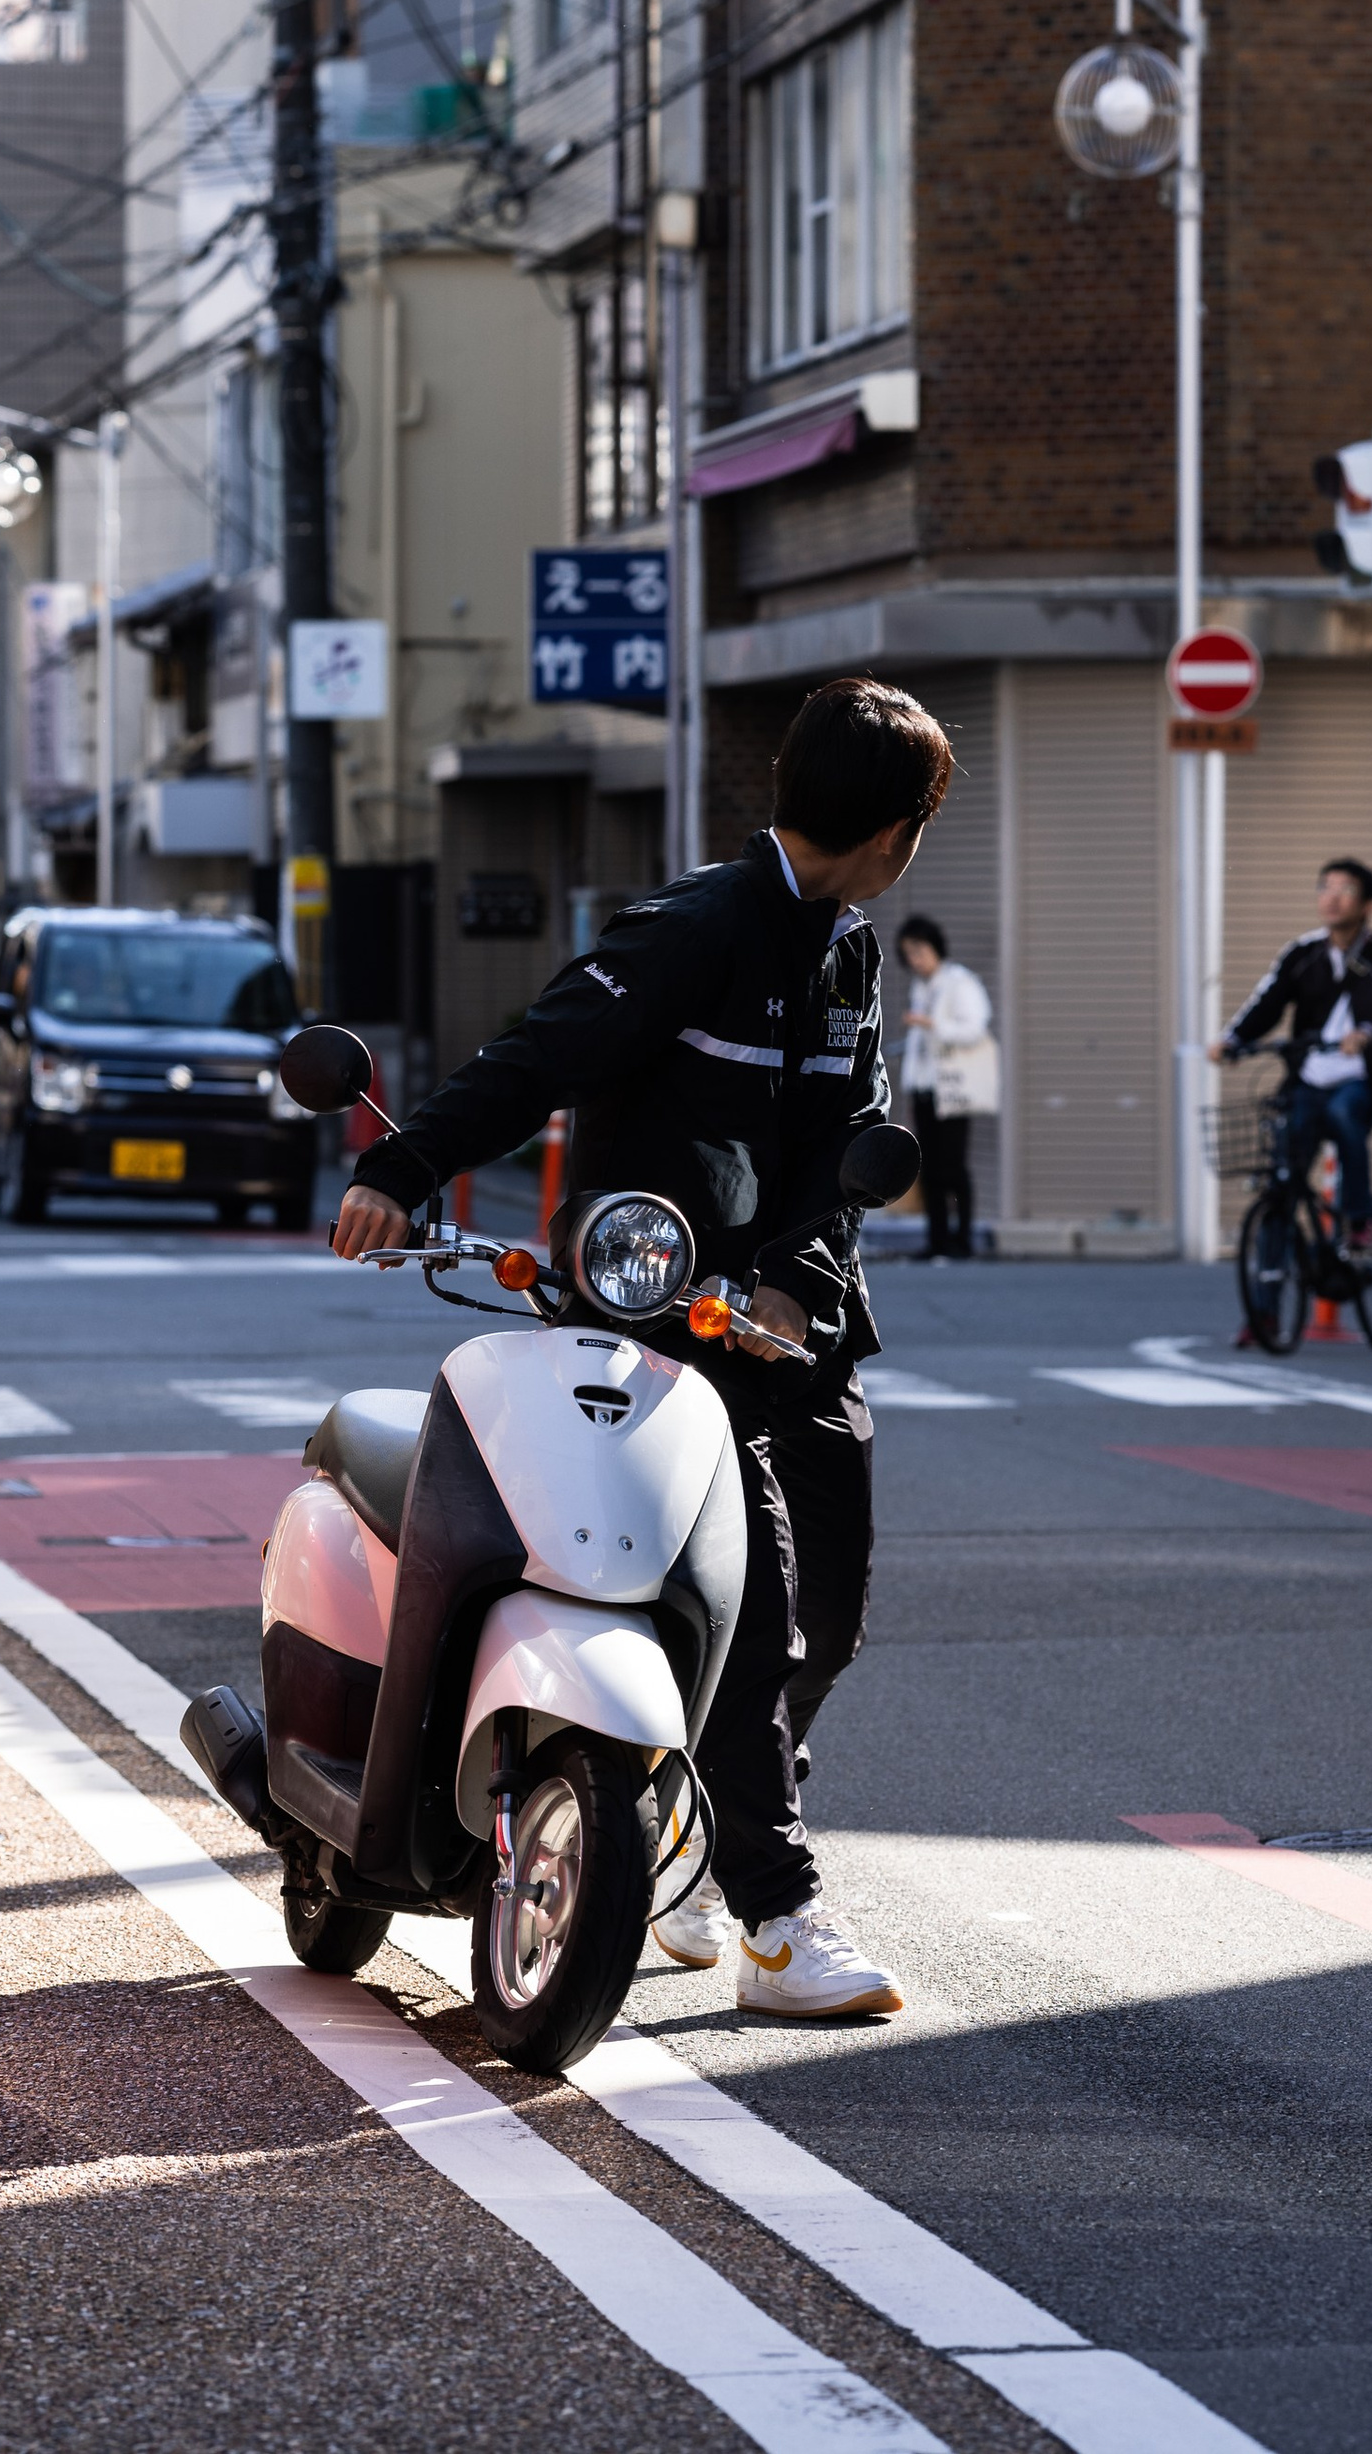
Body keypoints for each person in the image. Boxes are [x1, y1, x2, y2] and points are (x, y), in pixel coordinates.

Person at [331, 673, 954, 2023]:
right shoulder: (692, 927)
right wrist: (404, 1160)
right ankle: (776, 1914)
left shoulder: (846, 947)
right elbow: (540, 1051)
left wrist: (797, 1279)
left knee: (821, 1623)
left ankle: (673, 1839)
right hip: (662, 1319)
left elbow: (849, 1147)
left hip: (799, 1325)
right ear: (894, 827)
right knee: (759, 1592)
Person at [1211, 858, 1372, 1248]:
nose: (1332, 899)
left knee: (1342, 1114)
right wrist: (1232, 1040)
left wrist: (1368, 1033)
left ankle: (1359, 1219)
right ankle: (1270, 1280)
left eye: (1346, 890)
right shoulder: (1302, 953)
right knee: (1284, 1159)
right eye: (1325, 888)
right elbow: (1267, 1001)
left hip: (1360, 1076)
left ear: (1368, 905)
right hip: (1309, 1074)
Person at [893, 917, 996, 1259]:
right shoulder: (921, 986)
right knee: (931, 1168)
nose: (914, 959)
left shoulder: (959, 981)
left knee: (953, 1166)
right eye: (908, 953)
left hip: (953, 1089)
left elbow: (975, 1028)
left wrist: (932, 1024)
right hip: (925, 1089)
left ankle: (961, 1240)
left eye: (919, 950)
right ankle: (937, 1240)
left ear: (936, 947)